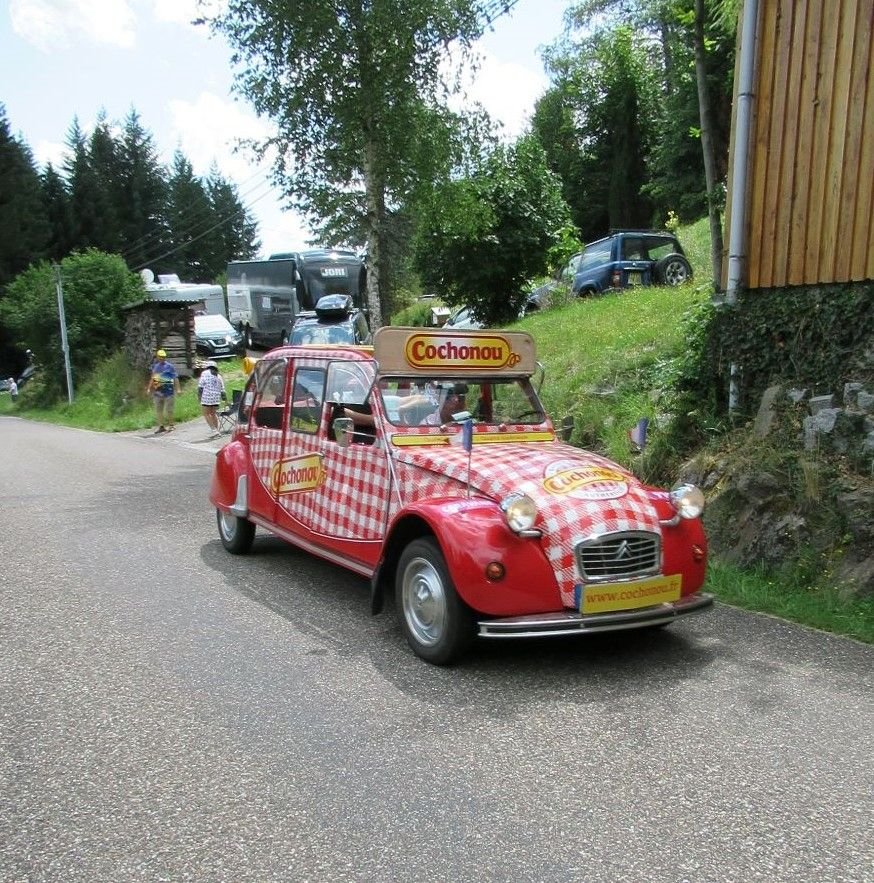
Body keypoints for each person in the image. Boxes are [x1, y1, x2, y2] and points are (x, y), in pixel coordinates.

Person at [146, 348, 179, 434]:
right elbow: (153, 378)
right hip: (158, 392)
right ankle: (161, 426)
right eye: (160, 357)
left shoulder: (170, 366)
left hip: (169, 391)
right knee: (159, 409)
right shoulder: (155, 367)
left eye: (163, 357)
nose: (162, 358)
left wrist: (178, 389)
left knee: (169, 409)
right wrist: (149, 388)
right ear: (157, 357)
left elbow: (175, 378)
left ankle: (171, 425)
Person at [197, 360, 226, 438]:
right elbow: (223, 389)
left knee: (206, 414)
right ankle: (217, 431)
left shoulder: (204, 373)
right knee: (213, 414)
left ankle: (214, 430)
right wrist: (224, 399)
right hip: (216, 398)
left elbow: (200, 387)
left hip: (207, 396)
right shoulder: (219, 376)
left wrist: (199, 397)